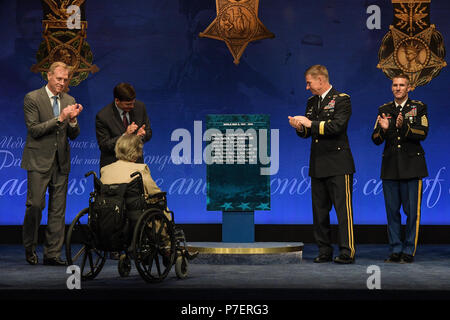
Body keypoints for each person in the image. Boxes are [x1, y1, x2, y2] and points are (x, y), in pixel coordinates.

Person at [288, 65, 356, 264]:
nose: (307, 87)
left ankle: (347, 251)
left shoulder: (342, 99)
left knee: (343, 212)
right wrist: (300, 127)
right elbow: (308, 133)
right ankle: (324, 250)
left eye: (309, 82)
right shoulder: (312, 102)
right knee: (319, 211)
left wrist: (310, 124)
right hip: (318, 163)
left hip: (338, 163)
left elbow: (337, 126)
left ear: (320, 80)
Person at [21, 61, 83, 266]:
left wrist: (72, 121)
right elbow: (34, 130)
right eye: (59, 79)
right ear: (48, 76)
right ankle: (30, 247)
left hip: (61, 162)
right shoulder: (32, 98)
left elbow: (73, 135)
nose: (62, 83)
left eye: (65, 80)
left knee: (58, 210)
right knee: (35, 206)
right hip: (38, 161)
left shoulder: (69, 99)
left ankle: (52, 254)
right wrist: (60, 117)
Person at [371, 74, 428, 263]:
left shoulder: (418, 107)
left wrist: (404, 127)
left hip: (412, 167)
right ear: (391, 88)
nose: (398, 88)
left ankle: (408, 250)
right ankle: (395, 249)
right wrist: (384, 129)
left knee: (412, 213)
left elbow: (422, 133)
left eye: (402, 85)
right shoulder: (384, 109)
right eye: (395, 85)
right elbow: (375, 139)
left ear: (409, 87)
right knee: (392, 212)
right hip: (390, 167)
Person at [95, 83, 152, 169]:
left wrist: (141, 135)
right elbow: (104, 146)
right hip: (113, 167)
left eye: (133, 103)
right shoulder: (103, 116)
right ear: (117, 101)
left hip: (136, 165)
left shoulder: (140, 107)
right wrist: (125, 135)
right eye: (128, 104)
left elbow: (148, 132)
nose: (132, 106)